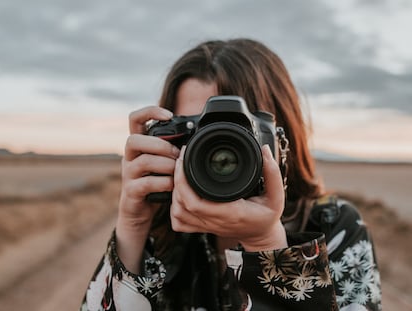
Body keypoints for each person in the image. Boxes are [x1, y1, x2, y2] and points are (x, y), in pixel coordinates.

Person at [80, 39, 382, 311]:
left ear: (282, 141)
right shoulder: (160, 238)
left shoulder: (334, 227)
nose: (219, 155)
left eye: (241, 133)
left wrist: (267, 244)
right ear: (167, 140)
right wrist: (133, 225)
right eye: (197, 131)